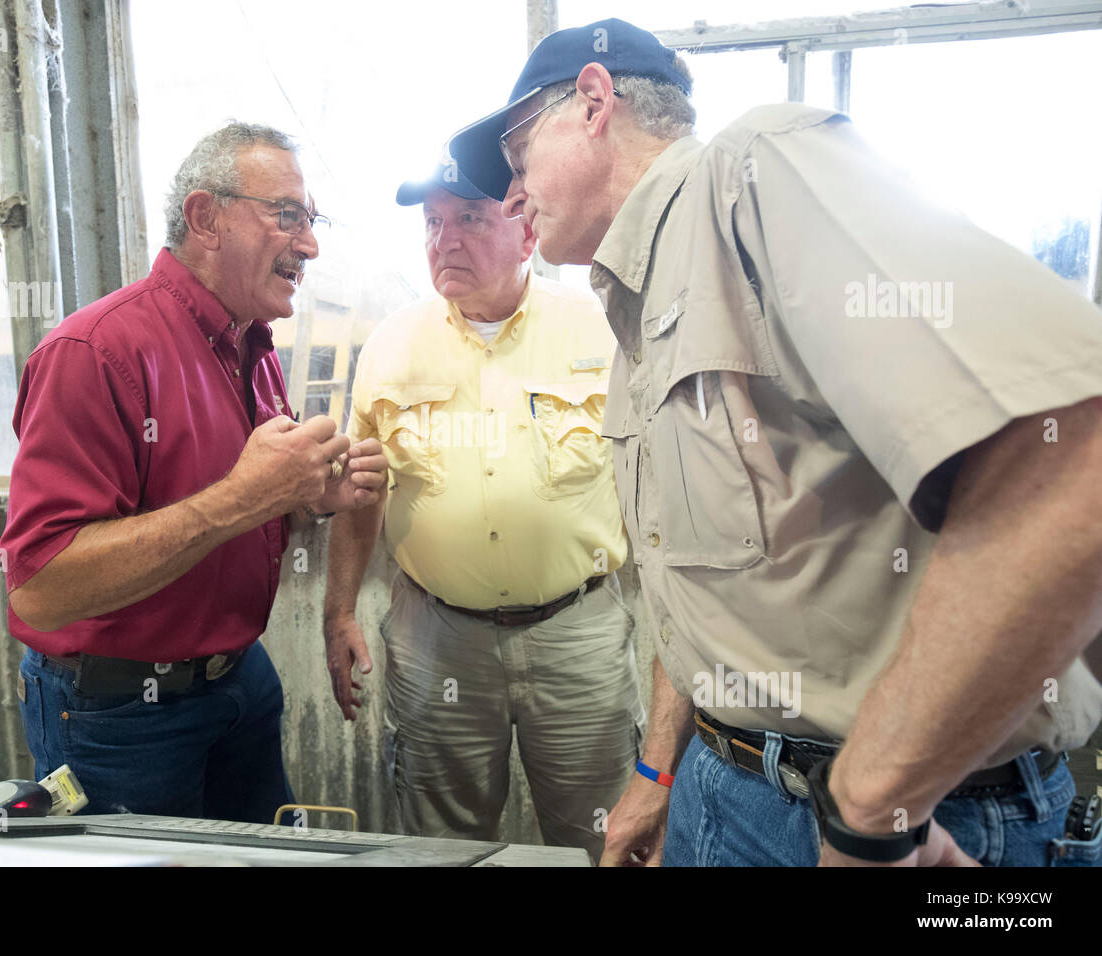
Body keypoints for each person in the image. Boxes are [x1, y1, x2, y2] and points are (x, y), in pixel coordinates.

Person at [448, 17, 1102, 867]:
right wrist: (658, 771)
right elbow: (708, 596)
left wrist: (870, 814)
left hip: (912, 820)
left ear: (595, 102)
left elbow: (1071, 461)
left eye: (516, 151)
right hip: (724, 787)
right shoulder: (637, 322)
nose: (508, 196)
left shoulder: (755, 174)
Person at [1, 121, 387, 821]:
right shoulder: (94, 352)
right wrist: (245, 497)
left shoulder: (253, 346)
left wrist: (308, 499)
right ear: (206, 218)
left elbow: (247, 509)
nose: (310, 244)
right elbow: (40, 588)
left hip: (239, 679)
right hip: (121, 715)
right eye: (288, 216)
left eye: (312, 219)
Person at [322, 158, 644, 861]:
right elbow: (360, 493)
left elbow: (660, 479)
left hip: (577, 633)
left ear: (526, 230)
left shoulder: (603, 332)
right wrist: (339, 609)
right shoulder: (391, 347)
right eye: (433, 223)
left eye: (469, 218)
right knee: (441, 846)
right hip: (439, 636)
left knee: (605, 837)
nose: (445, 240)